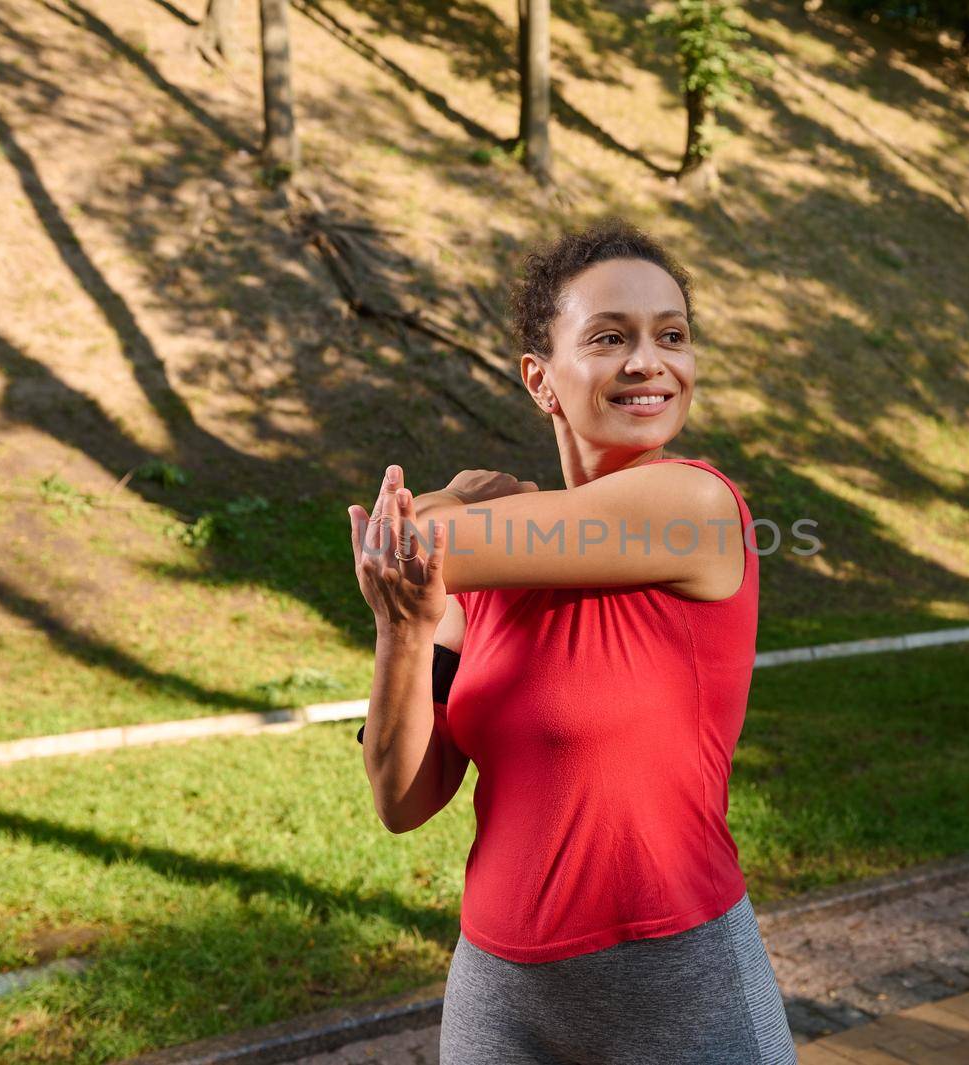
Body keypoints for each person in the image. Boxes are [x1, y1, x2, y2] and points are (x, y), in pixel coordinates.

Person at [346, 217, 796, 1064]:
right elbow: (403, 799)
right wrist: (403, 631)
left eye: (672, 336)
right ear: (541, 379)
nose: (648, 361)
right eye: (609, 337)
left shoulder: (694, 508)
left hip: (675, 978)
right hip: (499, 988)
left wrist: (444, 497)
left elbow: (414, 540)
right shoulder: (481, 586)